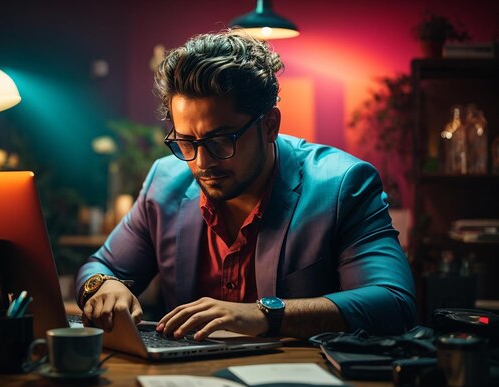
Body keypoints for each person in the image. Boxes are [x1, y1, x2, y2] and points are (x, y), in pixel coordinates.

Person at [76, 30, 416, 341]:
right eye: (185, 142)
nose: (201, 162)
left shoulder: (343, 185)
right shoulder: (164, 182)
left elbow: (393, 303)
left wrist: (265, 314)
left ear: (269, 125)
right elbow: (100, 267)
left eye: (220, 141)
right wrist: (104, 286)